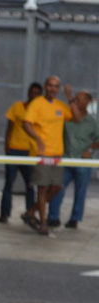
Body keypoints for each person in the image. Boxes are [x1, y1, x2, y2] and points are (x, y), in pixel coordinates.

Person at [21, 75, 80, 235]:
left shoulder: (60, 105)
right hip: (42, 153)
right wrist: (38, 140)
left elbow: (76, 118)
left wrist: (70, 97)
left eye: (56, 86)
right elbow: (26, 123)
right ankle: (43, 223)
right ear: (45, 86)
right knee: (42, 188)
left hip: (57, 153)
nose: (53, 88)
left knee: (56, 187)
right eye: (50, 85)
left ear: (58, 89)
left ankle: (31, 211)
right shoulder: (37, 103)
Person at [47, 90, 99, 229]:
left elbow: (98, 139)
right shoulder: (67, 117)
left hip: (83, 162)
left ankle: (75, 218)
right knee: (57, 188)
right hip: (65, 159)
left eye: (79, 99)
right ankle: (53, 217)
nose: (75, 101)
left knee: (80, 191)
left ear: (87, 102)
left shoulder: (92, 122)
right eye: (74, 99)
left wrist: (90, 150)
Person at [0, 82, 42, 223]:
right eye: (32, 92)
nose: (34, 95)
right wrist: (7, 145)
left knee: (30, 185)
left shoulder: (40, 111)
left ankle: (29, 213)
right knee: (9, 183)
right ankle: (5, 213)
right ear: (28, 93)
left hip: (30, 152)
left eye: (37, 93)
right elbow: (9, 127)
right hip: (14, 148)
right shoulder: (17, 106)